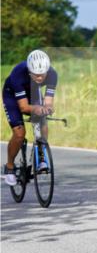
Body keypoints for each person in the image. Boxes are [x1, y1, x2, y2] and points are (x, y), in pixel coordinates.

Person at [3, 50, 57, 186]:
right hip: (12, 96)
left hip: (33, 92)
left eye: (42, 75)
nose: (40, 78)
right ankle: (9, 167)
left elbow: (48, 101)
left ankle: (41, 155)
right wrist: (37, 108)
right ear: (29, 71)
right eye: (36, 75)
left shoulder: (52, 74)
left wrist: (48, 108)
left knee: (42, 121)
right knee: (20, 133)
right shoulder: (18, 73)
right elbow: (24, 107)